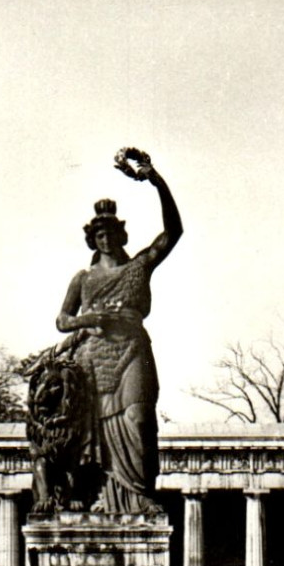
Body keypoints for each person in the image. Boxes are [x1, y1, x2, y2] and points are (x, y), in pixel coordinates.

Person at [54, 149, 182, 515]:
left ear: (121, 234)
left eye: (110, 232)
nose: (105, 238)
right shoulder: (84, 278)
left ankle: (138, 492)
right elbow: (62, 319)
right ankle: (98, 496)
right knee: (89, 432)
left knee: (139, 418)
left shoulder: (140, 265)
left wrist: (156, 181)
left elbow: (174, 232)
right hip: (92, 355)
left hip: (132, 348)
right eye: (99, 234)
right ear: (92, 241)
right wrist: (87, 321)